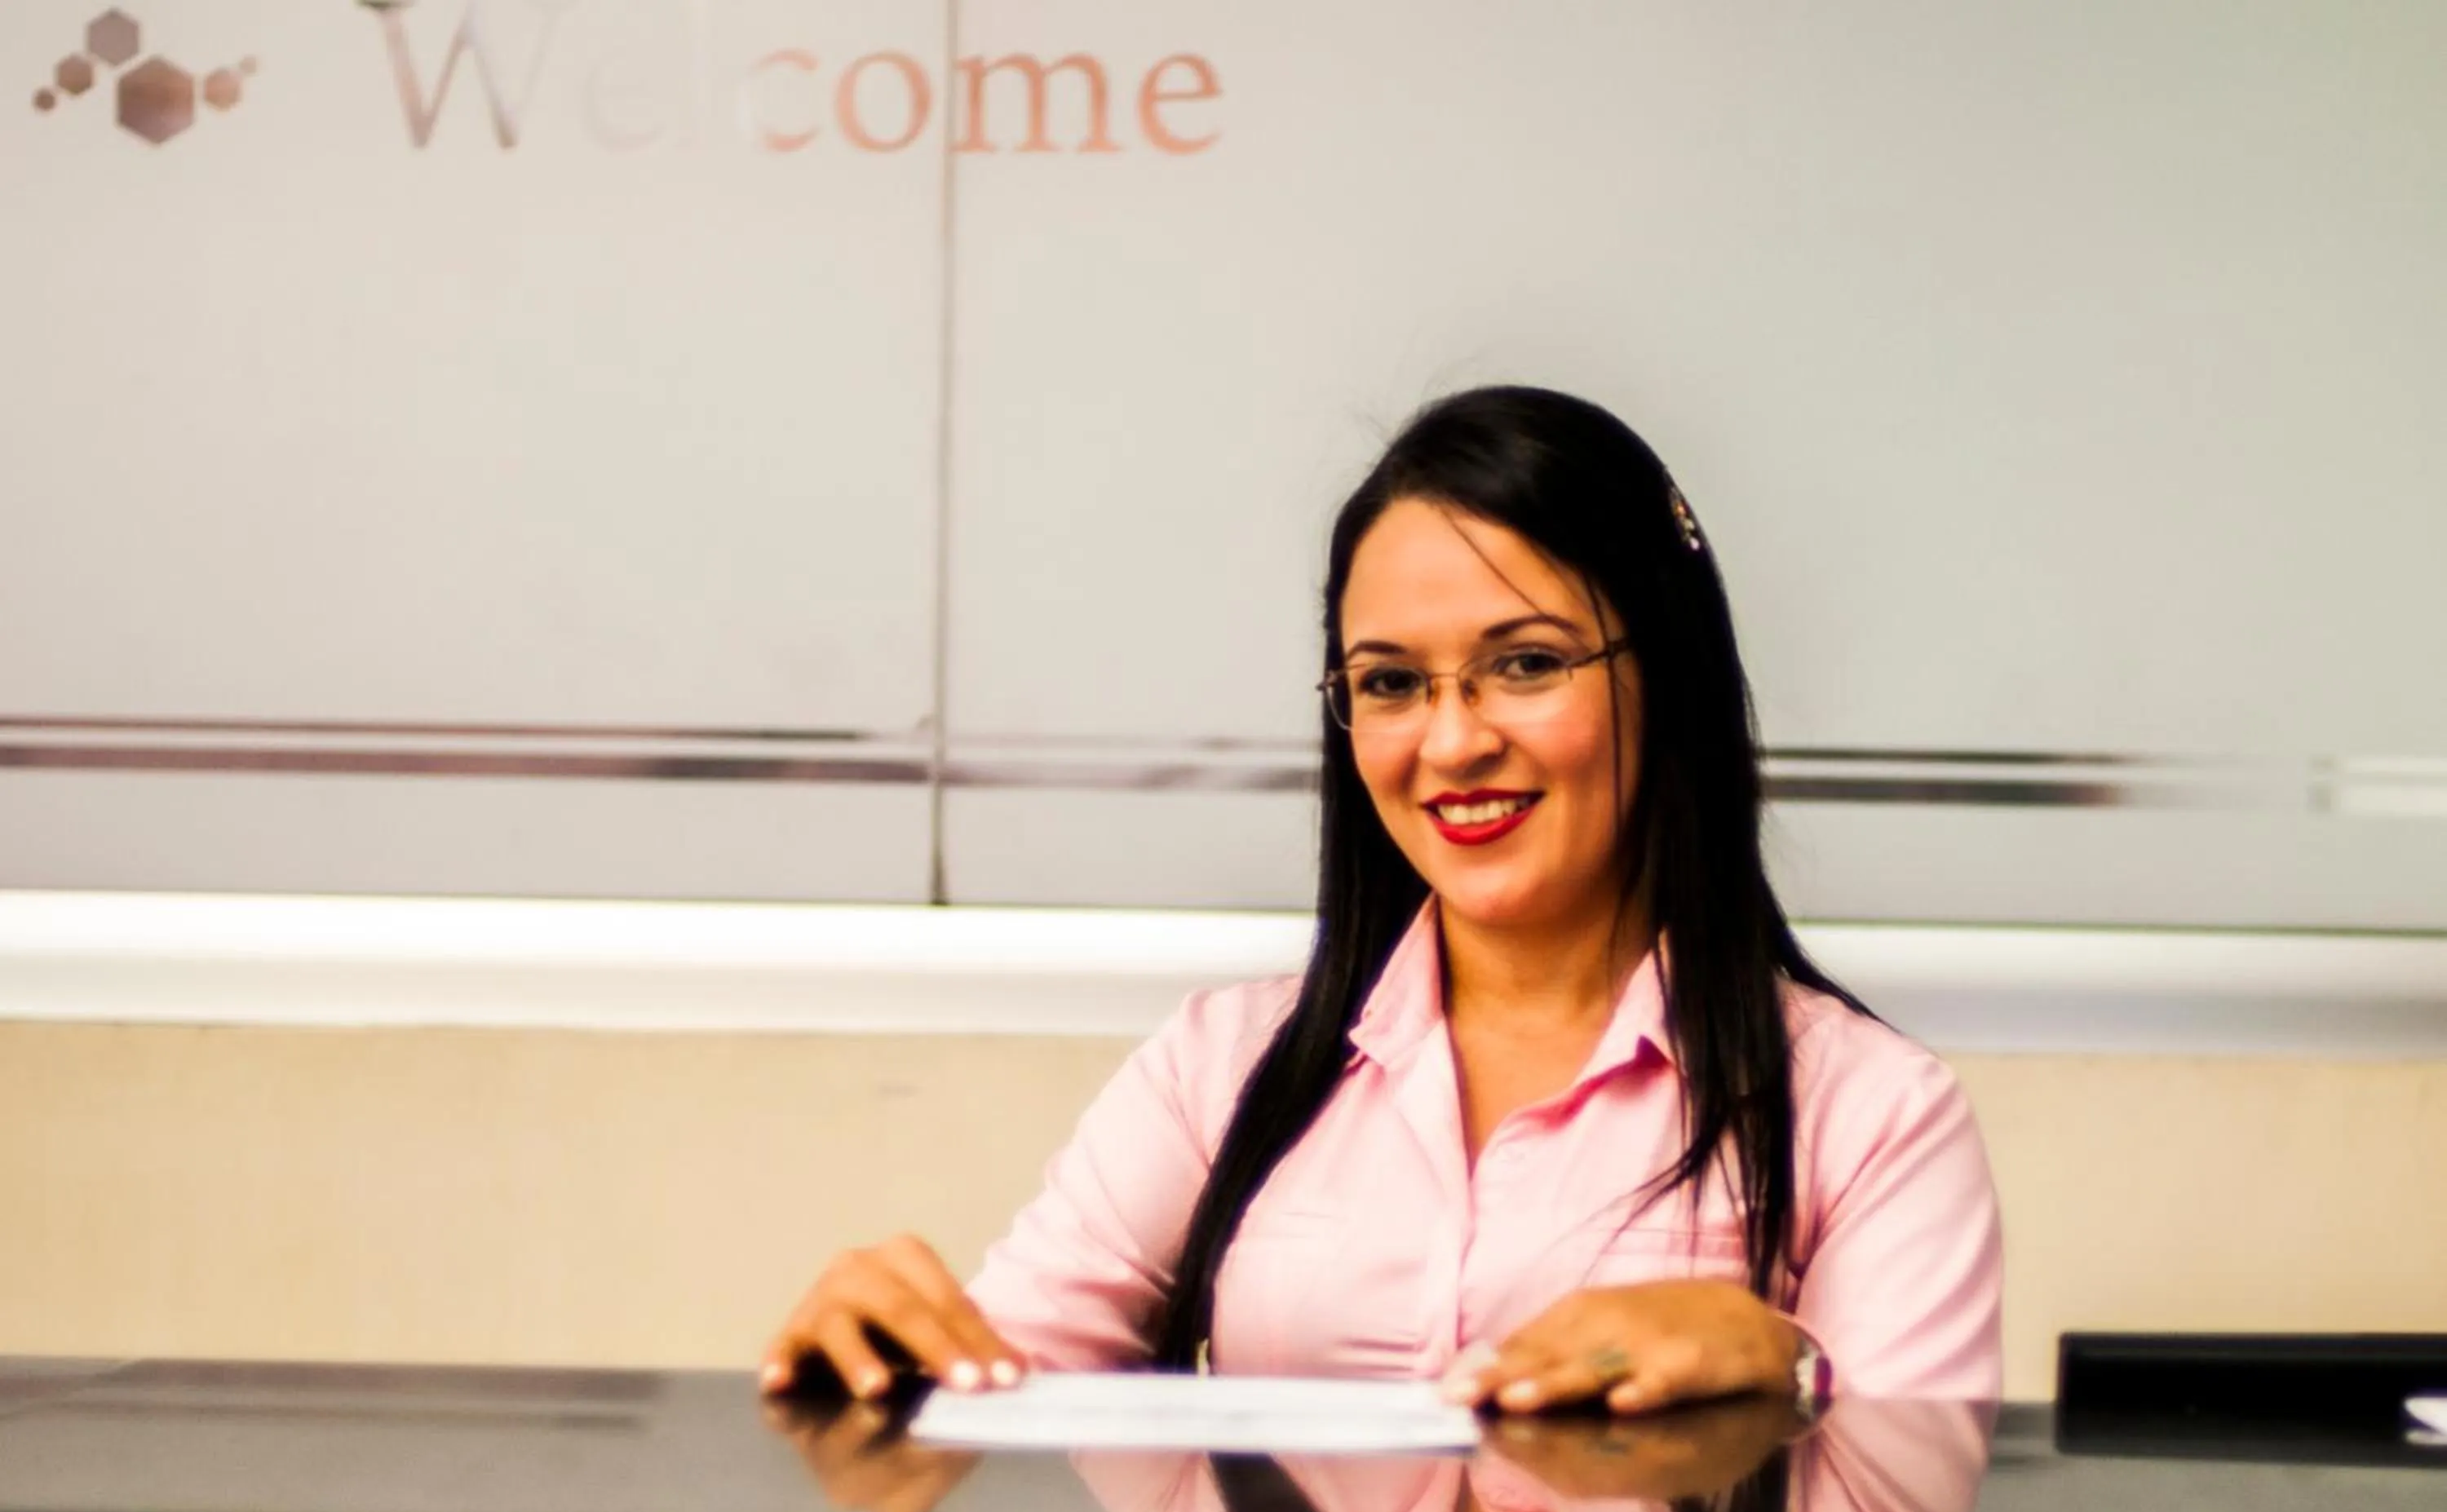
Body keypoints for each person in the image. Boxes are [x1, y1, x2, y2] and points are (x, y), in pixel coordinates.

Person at [763, 385, 2003, 1414]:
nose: (1452, 743)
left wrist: (1788, 1365)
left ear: (1666, 679)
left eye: (1524, 665)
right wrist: (893, 1359)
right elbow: (1007, 1383)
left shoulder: (1871, 1113)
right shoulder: (1223, 1066)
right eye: (1393, 682)